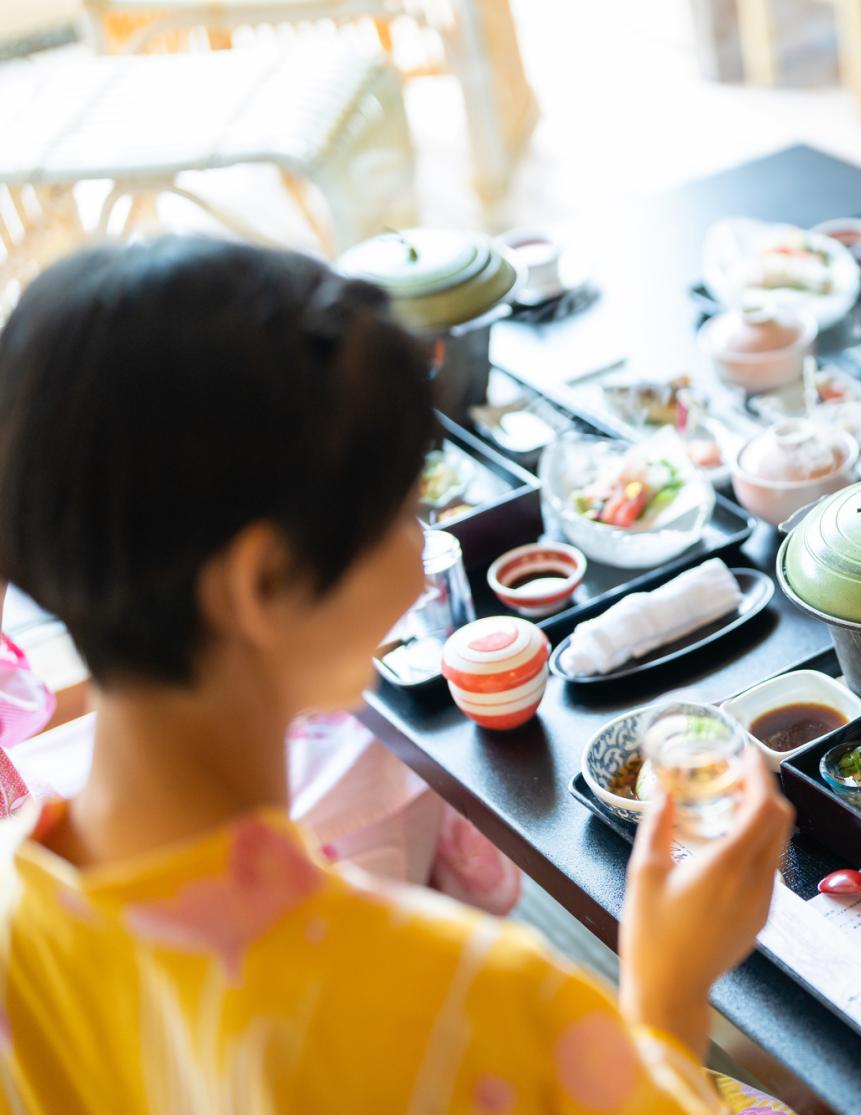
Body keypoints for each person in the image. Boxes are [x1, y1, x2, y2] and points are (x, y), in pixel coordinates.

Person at [0, 237, 795, 1114]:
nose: (423, 559)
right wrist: (670, 984)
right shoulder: (464, 996)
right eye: (405, 510)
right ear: (262, 582)